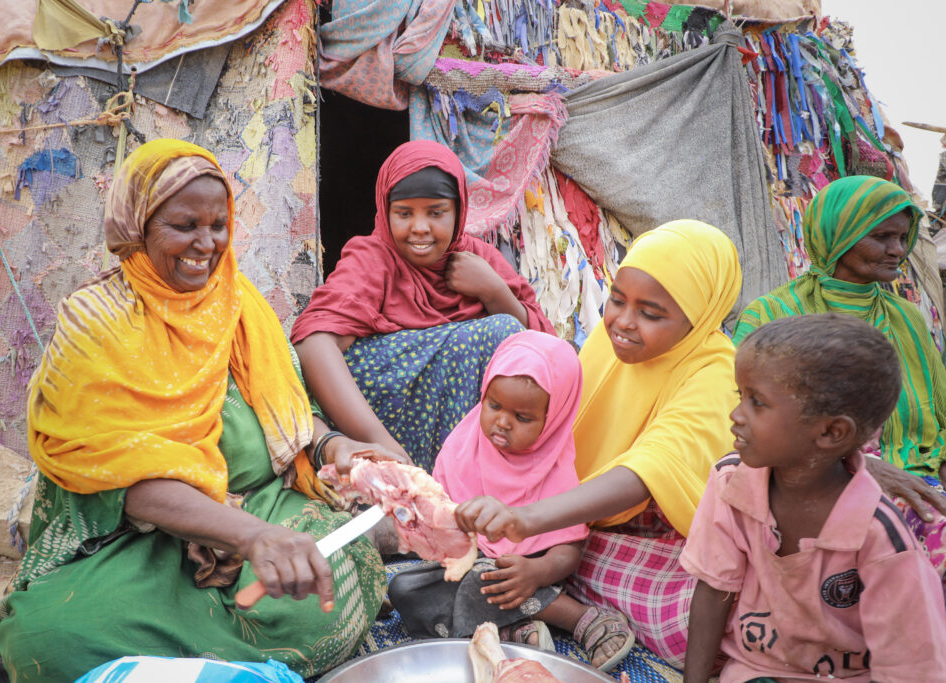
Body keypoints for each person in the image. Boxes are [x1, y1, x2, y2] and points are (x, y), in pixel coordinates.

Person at [0, 139, 399, 682]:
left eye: (218, 224)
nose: (207, 243)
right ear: (138, 228)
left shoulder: (238, 302)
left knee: (314, 584)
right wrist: (248, 538)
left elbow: (288, 413)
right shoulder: (95, 325)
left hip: (267, 509)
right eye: (184, 224)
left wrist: (336, 448)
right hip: (143, 542)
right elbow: (123, 476)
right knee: (47, 638)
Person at [456, 220, 742, 669]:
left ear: (699, 317)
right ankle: (540, 596)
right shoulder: (613, 347)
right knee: (478, 559)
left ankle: (543, 597)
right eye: (617, 300)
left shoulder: (714, 375)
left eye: (651, 314)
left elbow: (648, 472)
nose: (623, 323)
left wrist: (528, 519)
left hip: (637, 531)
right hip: (556, 511)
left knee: (700, 618)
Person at [682, 314, 946, 682]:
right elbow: (713, 591)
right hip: (756, 671)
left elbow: (908, 667)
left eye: (756, 402)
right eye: (739, 396)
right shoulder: (731, 481)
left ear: (830, 432)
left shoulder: (880, 535)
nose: (735, 416)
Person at [291, 140, 554, 473]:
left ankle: (470, 477)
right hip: (380, 430)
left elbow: (548, 353)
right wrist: (383, 444)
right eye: (404, 213)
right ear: (385, 211)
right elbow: (312, 341)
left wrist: (494, 291)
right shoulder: (374, 259)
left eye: (436, 212)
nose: (419, 227)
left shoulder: (477, 259)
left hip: (466, 444)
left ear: (459, 211)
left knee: (507, 334)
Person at [732, 175, 946, 578]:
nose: (897, 251)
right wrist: (855, 466)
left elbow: (940, 416)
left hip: (916, 476)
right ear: (839, 234)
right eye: (882, 237)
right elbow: (746, 422)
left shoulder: (906, 317)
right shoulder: (771, 315)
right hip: (813, 483)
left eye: (903, 237)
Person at [388, 331, 591, 655]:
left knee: (485, 578)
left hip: (524, 578)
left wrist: (537, 571)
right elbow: (440, 516)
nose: (502, 422)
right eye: (493, 405)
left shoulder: (555, 467)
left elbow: (570, 548)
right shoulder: (463, 447)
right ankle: (512, 627)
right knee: (404, 588)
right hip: (464, 569)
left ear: (553, 420)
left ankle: (577, 617)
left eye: (522, 417)